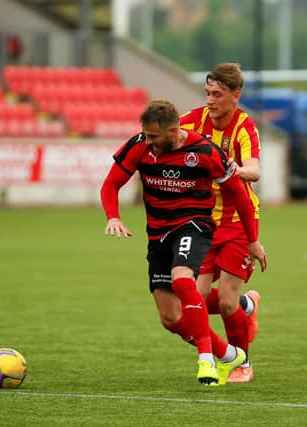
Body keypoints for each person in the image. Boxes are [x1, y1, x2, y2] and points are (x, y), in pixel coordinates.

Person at [101, 99, 267, 386]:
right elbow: (111, 184)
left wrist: (253, 240)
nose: (148, 142)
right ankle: (230, 354)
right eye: (146, 135)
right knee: (171, 317)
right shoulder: (140, 145)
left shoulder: (203, 151)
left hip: (195, 225)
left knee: (183, 281)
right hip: (158, 234)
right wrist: (112, 216)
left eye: (154, 137)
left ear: (173, 130)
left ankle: (206, 360)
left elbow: (239, 193)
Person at [179, 62, 261, 383]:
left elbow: (254, 168)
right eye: (207, 93)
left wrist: (236, 171)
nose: (210, 101)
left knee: (225, 303)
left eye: (217, 94)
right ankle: (247, 305)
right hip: (203, 224)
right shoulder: (195, 120)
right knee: (192, 304)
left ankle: (241, 363)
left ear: (235, 95)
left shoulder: (244, 126)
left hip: (240, 222)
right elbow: (166, 132)